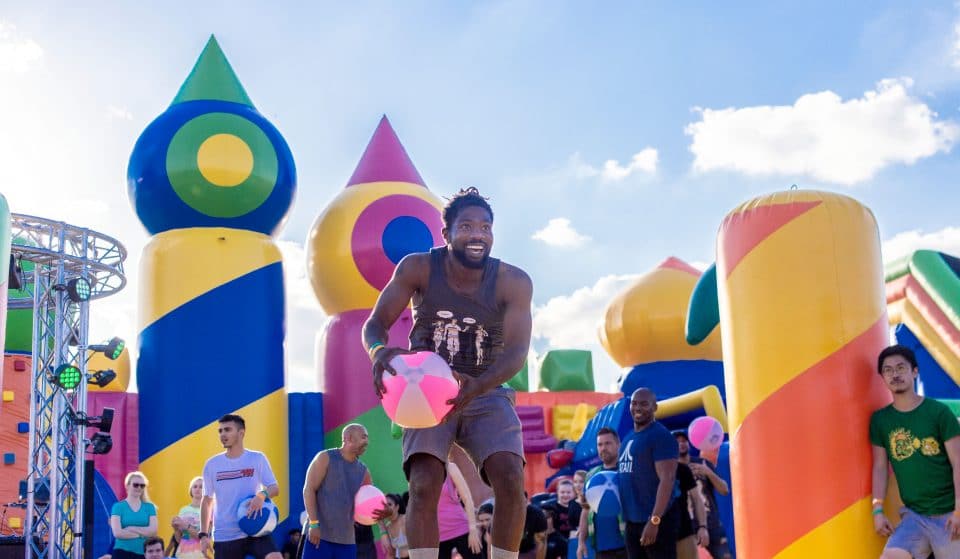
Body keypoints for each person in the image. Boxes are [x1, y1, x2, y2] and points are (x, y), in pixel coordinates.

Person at [363, 187, 533, 559]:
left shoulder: (513, 281)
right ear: (446, 233)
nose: (478, 234)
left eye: (485, 227)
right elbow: (374, 324)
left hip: (485, 387)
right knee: (424, 484)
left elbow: (517, 353)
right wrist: (378, 352)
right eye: (467, 226)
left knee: (510, 478)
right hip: (426, 389)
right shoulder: (419, 268)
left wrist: (479, 384)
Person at [870, 345, 960, 558]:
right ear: (882, 377)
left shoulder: (938, 413)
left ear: (915, 371)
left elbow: (958, 461)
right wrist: (877, 510)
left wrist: (959, 509)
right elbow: (880, 467)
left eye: (901, 367)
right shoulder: (881, 420)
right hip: (914, 516)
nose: (895, 374)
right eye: (888, 370)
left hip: (949, 513)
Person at [199, 414, 281, 559]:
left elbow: (274, 488)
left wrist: (261, 495)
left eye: (227, 430)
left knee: (275, 557)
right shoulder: (212, 464)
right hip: (225, 535)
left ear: (241, 433)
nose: (222, 434)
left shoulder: (257, 458)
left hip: (255, 527)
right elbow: (207, 501)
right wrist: (204, 535)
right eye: (220, 431)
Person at [617, 389, 679, 559]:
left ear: (655, 407)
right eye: (634, 403)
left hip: (656, 522)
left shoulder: (660, 436)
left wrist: (654, 521)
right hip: (632, 523)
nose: (637, 408)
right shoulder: (628, 438)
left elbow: (667, 479)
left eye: (644, 404)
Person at [302, 423, 376, 559]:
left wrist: (382, 512)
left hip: (347, 542)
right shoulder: (325, 458)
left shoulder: (364, 472)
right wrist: (313, 524)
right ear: (349, 438)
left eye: (367, 438)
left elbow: (370, 504)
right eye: (363, 437)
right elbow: (309, 490)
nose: (367, 441)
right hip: (318, 536)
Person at [673, 431, 732, 559]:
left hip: (712, 525)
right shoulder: (671, 470)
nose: (681, 444)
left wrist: (708, 472)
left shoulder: (702, 464)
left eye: (684, 441)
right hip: (687, 529)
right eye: (677, 442)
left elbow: (724, 490)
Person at [577, 427, 626, 559]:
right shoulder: (591, 475)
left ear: (618, 445)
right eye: (600, 444)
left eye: (608, 443)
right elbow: (586, 510)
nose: (603, 448)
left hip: (628, 544)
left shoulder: (627, 471)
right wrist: (581, 542)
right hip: (601, 547)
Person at [438, 460, 483, 559]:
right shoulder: (421, 471)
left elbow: (467, 499)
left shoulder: (450, 467)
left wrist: (473, 530)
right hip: (437, 538)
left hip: (461, 529)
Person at [110, 471, 159, 559]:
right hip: (121, 553)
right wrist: (142, 534)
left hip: (143, 554)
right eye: (136, 485)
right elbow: (117, 533)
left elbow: (153, 531)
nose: (139, 488)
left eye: (142, 485)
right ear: (127, 486)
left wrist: (131, 528)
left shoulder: (150, 507)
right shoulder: (118, 507)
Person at [170, 476, 204, 559]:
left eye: (201, 487)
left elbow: (204, 537)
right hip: (183, 552)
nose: (197, 489)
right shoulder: (183, 510)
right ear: (191, 490)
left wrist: (187, 527)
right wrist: (175, 529)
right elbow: (179, 539)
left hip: (200, 553)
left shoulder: (208, 510)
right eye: (195, 486)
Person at [380, 493, 410, 559]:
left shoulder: (406, 519)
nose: (387, 508)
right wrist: (381, 524)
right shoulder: (387, 527)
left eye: (389, 504)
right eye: (384, 506)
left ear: (397, 507)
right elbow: (390, 553)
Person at [518, 494, 547, 559]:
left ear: (527, 502)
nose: (520, 506)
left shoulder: (537, 514)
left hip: (528, 550)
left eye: (523, 503)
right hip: (507, 549)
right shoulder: (504, 513)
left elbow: (541, 542)